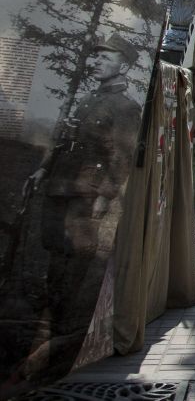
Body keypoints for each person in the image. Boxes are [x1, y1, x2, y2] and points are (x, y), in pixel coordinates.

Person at [30, 34, 143, 341]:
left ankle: (63, 323)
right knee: (55, 248)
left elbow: (121, 154)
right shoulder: (90, 99)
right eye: (97, 57)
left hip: (85, 191)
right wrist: (44, 168)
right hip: (61, 184)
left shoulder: (125, 107)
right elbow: (69, 140)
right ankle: (49, 313)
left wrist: (106, 194)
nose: (98, 62)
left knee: (76, 254)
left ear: (125, 67)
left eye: (107, 58)